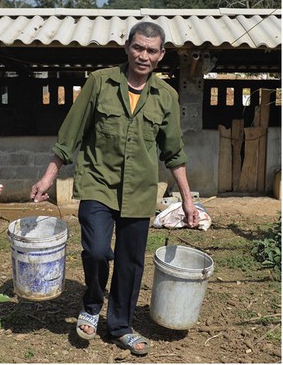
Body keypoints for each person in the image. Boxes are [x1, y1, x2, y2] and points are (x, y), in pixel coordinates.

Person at [31, 21, 200, 356]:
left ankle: (120, 325)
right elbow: (70, 136)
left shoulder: (166, 97)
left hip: (139, 191)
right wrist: (48, 177)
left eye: (151, 50)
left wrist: (187, 201)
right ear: (127, 47)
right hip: (98, 184)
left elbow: (174, 153)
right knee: (96, 250)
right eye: (138, 47)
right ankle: (92, 306)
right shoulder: (100, 82)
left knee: (130, 261)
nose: (143, 55)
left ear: (161, 55)